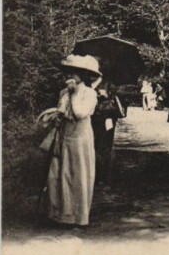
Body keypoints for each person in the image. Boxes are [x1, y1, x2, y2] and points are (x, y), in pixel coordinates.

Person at [46, 55, 101, 226]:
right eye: (68, 72)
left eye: (73, 73)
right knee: (59, 174)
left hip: (80, 138)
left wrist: (74, 94)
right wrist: (56, 118)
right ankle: (61, 215)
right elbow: (61, 112)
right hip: (63, 136)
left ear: (82, 75)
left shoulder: (90, 93)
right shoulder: (64, 92)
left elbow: (79, 113)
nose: (69, 76)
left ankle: (79, 217)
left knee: (78, 175)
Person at [90, 78, 125, 185]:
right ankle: (98, 176)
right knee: (96, 146)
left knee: (103, 146)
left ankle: (102, 176)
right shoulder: (91, 82)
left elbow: (117, 105)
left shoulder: (106, 82)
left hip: (106, 118)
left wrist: (106, 96)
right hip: (95, 119)